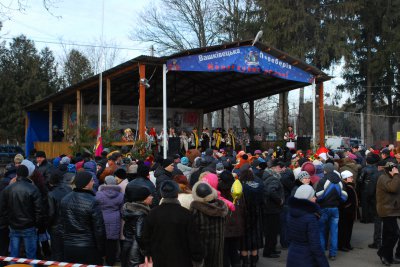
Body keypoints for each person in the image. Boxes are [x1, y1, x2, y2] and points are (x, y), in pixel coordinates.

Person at [142, 180, 205, 267]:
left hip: (159, 259)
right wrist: (197, 258)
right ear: (176, 193)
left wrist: (148, 254)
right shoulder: (186, 214)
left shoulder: (152, 213)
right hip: (182, 260)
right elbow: (194, 239)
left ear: (162, 194)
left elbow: (145, 238)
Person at [61, 171, 106, 265]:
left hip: (69, 245)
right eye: (91, 180)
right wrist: (102, 250)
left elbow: (62, 223)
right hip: (88, 247)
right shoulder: (93, 201)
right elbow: (99, 229)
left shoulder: (65, 199)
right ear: (85, 184)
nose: (93, 182)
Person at [0, 165, 44, 261]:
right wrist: (37, 225)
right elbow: (39, 210)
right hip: (29, 226)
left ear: (17, 175)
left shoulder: (8, 189)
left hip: (14, 226)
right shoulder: (33, 189)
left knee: (14, 256)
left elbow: (2, 209)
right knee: (31, 256)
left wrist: (9, 221)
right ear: (27, 174)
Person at [286, 185, 329, 267]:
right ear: (306, 199)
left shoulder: (290, 213)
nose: (315, 198)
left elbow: (287, 237)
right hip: (307, 258)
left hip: (292, 256)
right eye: (313, 196)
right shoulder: (310, 218)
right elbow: (315, 246)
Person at [191, 181, 228, 267]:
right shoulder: (221, 207)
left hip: (202, 247)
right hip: (218, 246)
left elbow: (192, 229)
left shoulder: (196, 208)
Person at [316, 170, 348, 261]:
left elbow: (319, 196)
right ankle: (333, 254)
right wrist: (338, 201)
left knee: (321, 231)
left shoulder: (322, 181)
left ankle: (321, 253)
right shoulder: (340, 182)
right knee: (334, 232)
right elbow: (344, 197)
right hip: (335, 209)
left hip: (323, 208)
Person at [121, 181, 153, 267]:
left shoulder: (130, 209)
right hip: (135, 249)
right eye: (150, 196)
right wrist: (145, 251)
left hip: (127, 244)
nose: (152, 197)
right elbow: (139, 235)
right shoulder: (142, 214)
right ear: (144, 198)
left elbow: (126, 230)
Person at [95, 175, 124, 266]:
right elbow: (122, 209)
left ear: (105, 183)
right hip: (115, 218)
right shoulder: (120, 195)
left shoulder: (99, 194)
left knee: (101, 241)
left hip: (101, 218)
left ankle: (100, 262)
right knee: (112, 243)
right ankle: (110, 262)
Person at [376, 162, 400, 266]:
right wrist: (396, 175)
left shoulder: (392, 177)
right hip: (386, 210)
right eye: (394, 169)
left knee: (388, 234)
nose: (396, 170)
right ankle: (382, 252)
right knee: (394, 234)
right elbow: (393, 188)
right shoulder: (383, 178)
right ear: (390, 170)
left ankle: (388, 257)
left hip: (393, 210)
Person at [239, 169, 264, 267]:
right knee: (255, 239)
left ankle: (245, 263)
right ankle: (253, 263)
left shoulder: (241, 185)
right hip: (256, 214)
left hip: (244, 215)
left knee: (244, 241)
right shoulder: (259, 185)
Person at [47, 171, 72, 261]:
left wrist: (47, 225)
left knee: (57, 252)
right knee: (67, 252)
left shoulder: (51, 194)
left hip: (56, 227)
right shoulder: (69, 189)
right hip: (69, 225)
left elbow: (51, 213)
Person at [338, 170, 358, 252]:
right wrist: (348, 206)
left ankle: (347, 243)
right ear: (345, 178)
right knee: (344, 229)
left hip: (349, 211)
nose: (352, 179)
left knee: (348, 229)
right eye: (350, 177)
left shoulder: (349, 186)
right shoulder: (345, 187)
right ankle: (342, 244)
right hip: (346, 212)